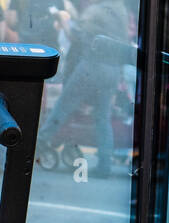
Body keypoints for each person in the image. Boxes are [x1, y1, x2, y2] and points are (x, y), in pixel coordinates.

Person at [36, 0, 129, 181]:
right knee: (103, 118)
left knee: (65, 104)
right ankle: (104, 165)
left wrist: (63, 22)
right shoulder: (121, 12)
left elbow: (74, 36)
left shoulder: (95, 12)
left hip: (91, 67)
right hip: (113, 70)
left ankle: (41, 140)